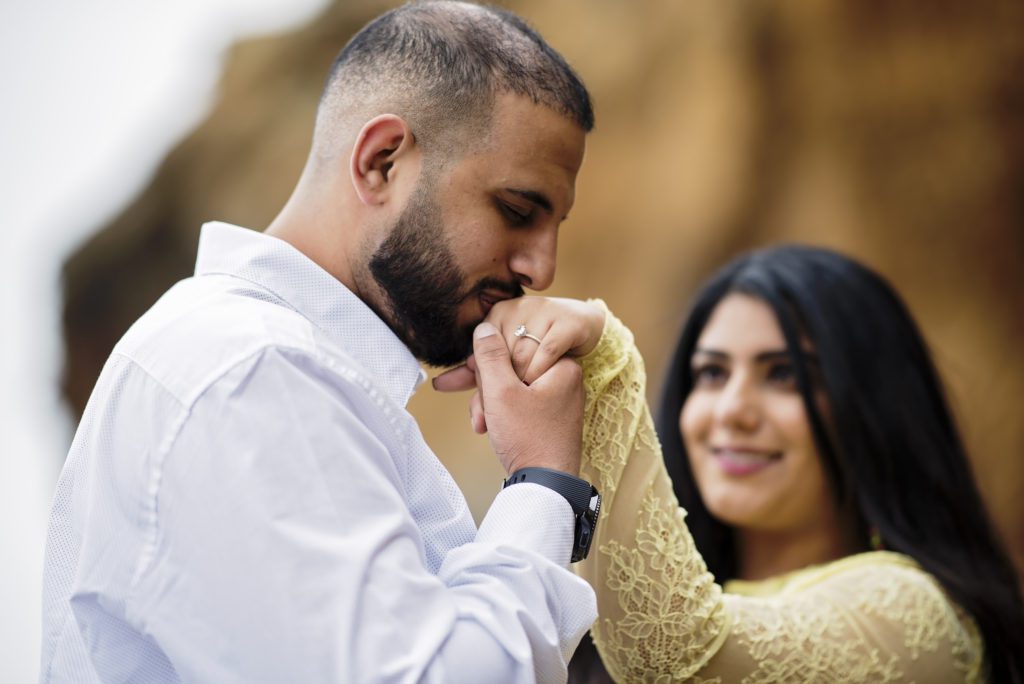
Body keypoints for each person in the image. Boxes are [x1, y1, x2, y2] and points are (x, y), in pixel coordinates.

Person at [40, 2, 603, 682]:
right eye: (516, 211)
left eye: (554, 226)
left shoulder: (266, 366)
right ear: (381, 162)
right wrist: (543, 482)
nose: (542, 268)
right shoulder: (252, 372)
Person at [440, 245, 1024, 682]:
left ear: (874, 408)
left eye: (785, 374)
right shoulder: (603, 615)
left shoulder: (921, 618)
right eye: (713, 373)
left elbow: (682, 656)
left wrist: (605, 363)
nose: (732, 411)